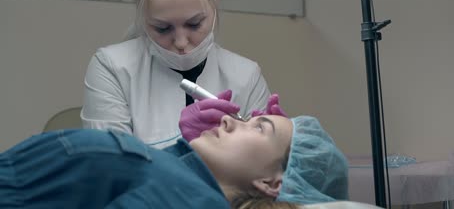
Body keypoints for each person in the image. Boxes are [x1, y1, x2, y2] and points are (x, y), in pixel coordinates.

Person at [81, 0, 286, 148]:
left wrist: (282, 149)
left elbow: (264, 175)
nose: (180, 43)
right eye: (162, 28)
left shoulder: (246, 76)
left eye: (194, 24)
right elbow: (109, 169)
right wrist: (182, 151)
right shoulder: (112, 68)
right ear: (141, 12)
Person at [0, 112, 348, 208]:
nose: (228, 119)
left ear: (273, 183)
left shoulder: (193, 201)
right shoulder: (181, 178)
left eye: (259, 128)